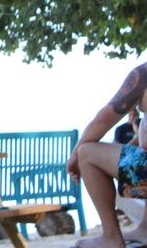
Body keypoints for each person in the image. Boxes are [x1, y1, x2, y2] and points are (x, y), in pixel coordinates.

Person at [67, 63, 147, 248]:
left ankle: (111, 236)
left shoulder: (143, 74)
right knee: (135, 155)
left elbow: (103, 119)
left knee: (86, 153)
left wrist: (74, 156)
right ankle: (144, 228)